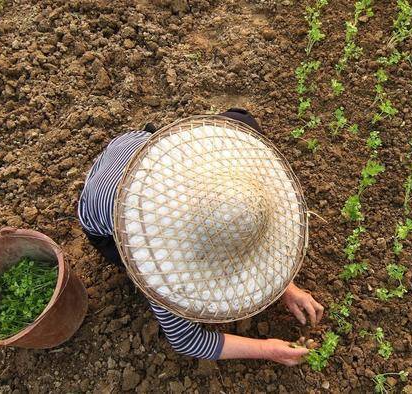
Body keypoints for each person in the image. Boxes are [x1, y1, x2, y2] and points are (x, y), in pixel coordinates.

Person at [77, 109, 323, 366]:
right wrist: (267, 349)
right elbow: (186, 340)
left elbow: (233, 223)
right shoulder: (151, 252)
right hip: (100, 215)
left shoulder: (226, 187)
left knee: (242, 120)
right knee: (150, 282)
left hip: (133, 145)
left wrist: (284, 286)